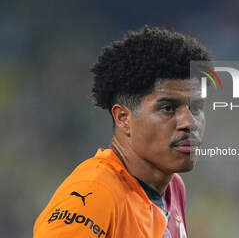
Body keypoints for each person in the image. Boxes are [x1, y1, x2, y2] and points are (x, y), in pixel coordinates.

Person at [33, 26, 211, 238]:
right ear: (123, 118)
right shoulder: (94, 192)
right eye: (168, 108)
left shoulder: (173, 188)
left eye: (196, 108)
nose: (189, 123)